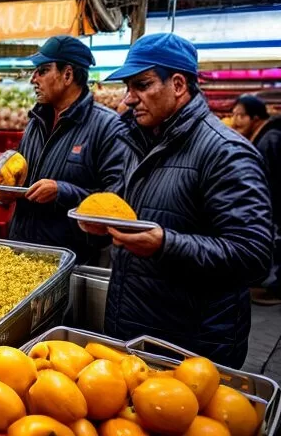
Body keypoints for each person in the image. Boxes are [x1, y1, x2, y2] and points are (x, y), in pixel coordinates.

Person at [91, 33, 273, 368]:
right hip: (138, 329)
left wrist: (165, 244)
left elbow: (254, 255)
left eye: (142, 85)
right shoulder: (138, 141)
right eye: (128, 87)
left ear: (177, 85)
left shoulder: (225, 153)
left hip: (192, 347)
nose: (129, 99)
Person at [0, 36, 128, 265]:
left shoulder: (107, 127)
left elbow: (119, 200)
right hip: (21, 255)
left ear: (67, 75)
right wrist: (5, 189)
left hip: (69, 262)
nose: (33, 79)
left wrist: (63, 191)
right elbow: (22, 176)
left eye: (43, 70)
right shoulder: (36, 122)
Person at [231, 94, 281, 305]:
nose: (236, 121)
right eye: (234, 115)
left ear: (256, 117)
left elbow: (273, 178)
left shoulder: (270, 137)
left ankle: (276, 289)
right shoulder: (261, 136)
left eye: (241, 115)